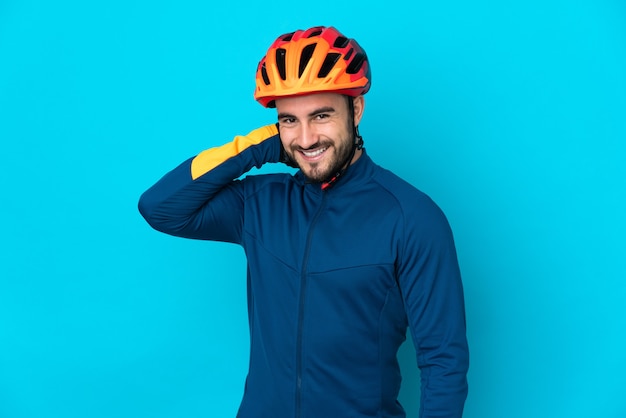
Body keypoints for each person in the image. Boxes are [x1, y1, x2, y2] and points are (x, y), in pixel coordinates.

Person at [138, 26, 469, 418]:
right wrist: (259, 146)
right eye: (289, 120)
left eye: (321, 115)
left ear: (356, 110)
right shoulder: (259, 204)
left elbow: (443, 361)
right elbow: (160, 207)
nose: (307, 138)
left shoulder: (411, 217)